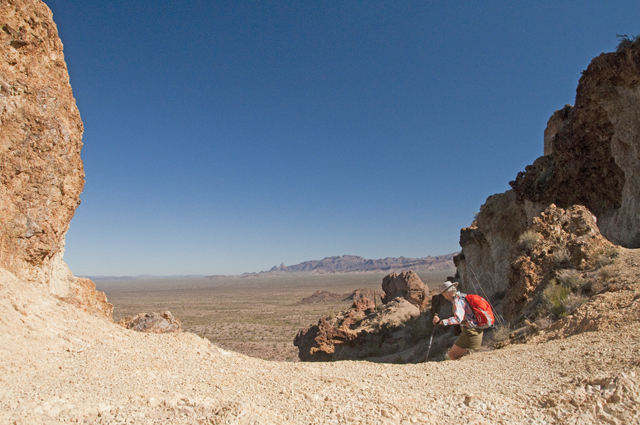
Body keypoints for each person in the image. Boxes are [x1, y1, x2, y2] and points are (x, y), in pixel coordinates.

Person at [432, 281, 483, 360]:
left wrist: (441, 322)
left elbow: (458, 319)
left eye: (444, 295)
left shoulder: (457, 301)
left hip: (471, 333)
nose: (445, 298)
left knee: (452, 355)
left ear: (448, 293)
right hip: (473, 331)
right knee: (458, 355)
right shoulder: (462, 296)